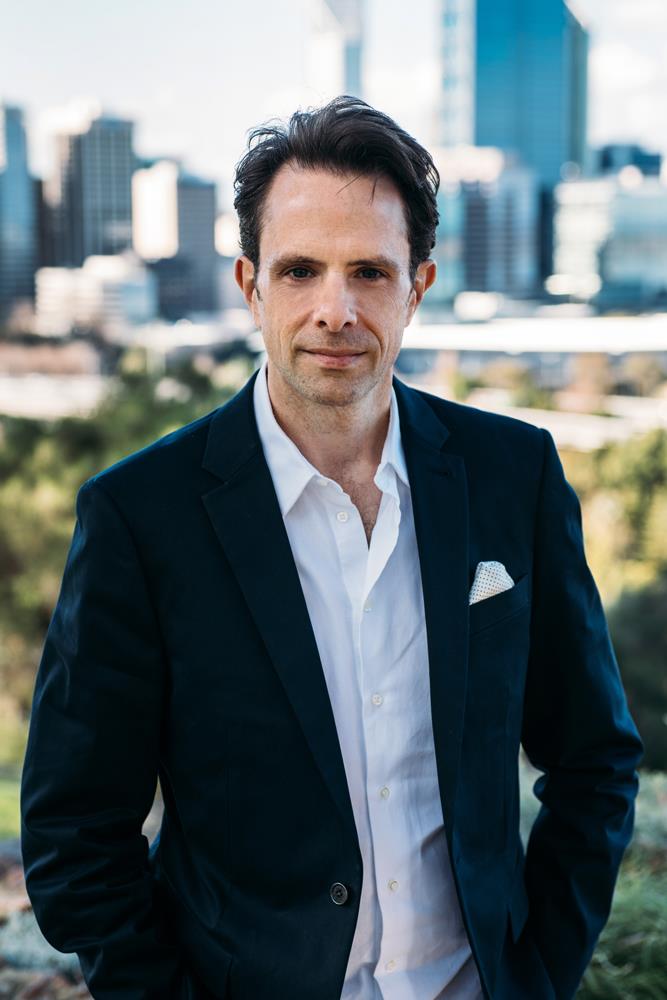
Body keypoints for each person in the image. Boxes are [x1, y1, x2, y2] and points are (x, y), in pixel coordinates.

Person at [20, 96, 642, 1000]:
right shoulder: (140, 518)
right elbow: (74, 832)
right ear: (250, 286)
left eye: (370, 272)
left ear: (417, 287)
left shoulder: (515, 475)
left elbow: (594, 760)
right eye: (301, 270)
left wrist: (536, 972)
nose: (335, 310)